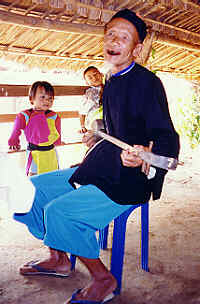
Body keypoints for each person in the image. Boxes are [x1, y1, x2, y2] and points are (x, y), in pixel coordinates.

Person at [13, 9, 180, 304]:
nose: (114, 40)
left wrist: (147, 154)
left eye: (124, 37)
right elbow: (116, 126)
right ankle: (59, 258)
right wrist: (98, 133)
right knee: (37, 187)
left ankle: (103, 279)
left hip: (131, 177)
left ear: (137, 49)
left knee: (59, 212)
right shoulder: (111, 79)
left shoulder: (148, 83)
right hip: (105, 164)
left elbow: (167, 137)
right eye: (111, 34)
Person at [8, 81, 61, 175]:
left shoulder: (54, 115)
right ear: (31, 98)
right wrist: (13, 142)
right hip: (35, 152)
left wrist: (58, 142)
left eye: (50, 98)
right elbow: (16, 130)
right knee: (33, 176)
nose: (47, 101)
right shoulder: (25, 115)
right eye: (42, 97)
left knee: (53, 174)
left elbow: (57, 131)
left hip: (51, 152)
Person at [78, 66, 104, 133]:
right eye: (90, 78)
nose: (94, 78)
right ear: (87, 83)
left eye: (95, 74)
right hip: (95, 124)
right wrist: (82, 126)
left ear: (101, 74)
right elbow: (82, 112)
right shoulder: (89, 94)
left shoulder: (110, 87)